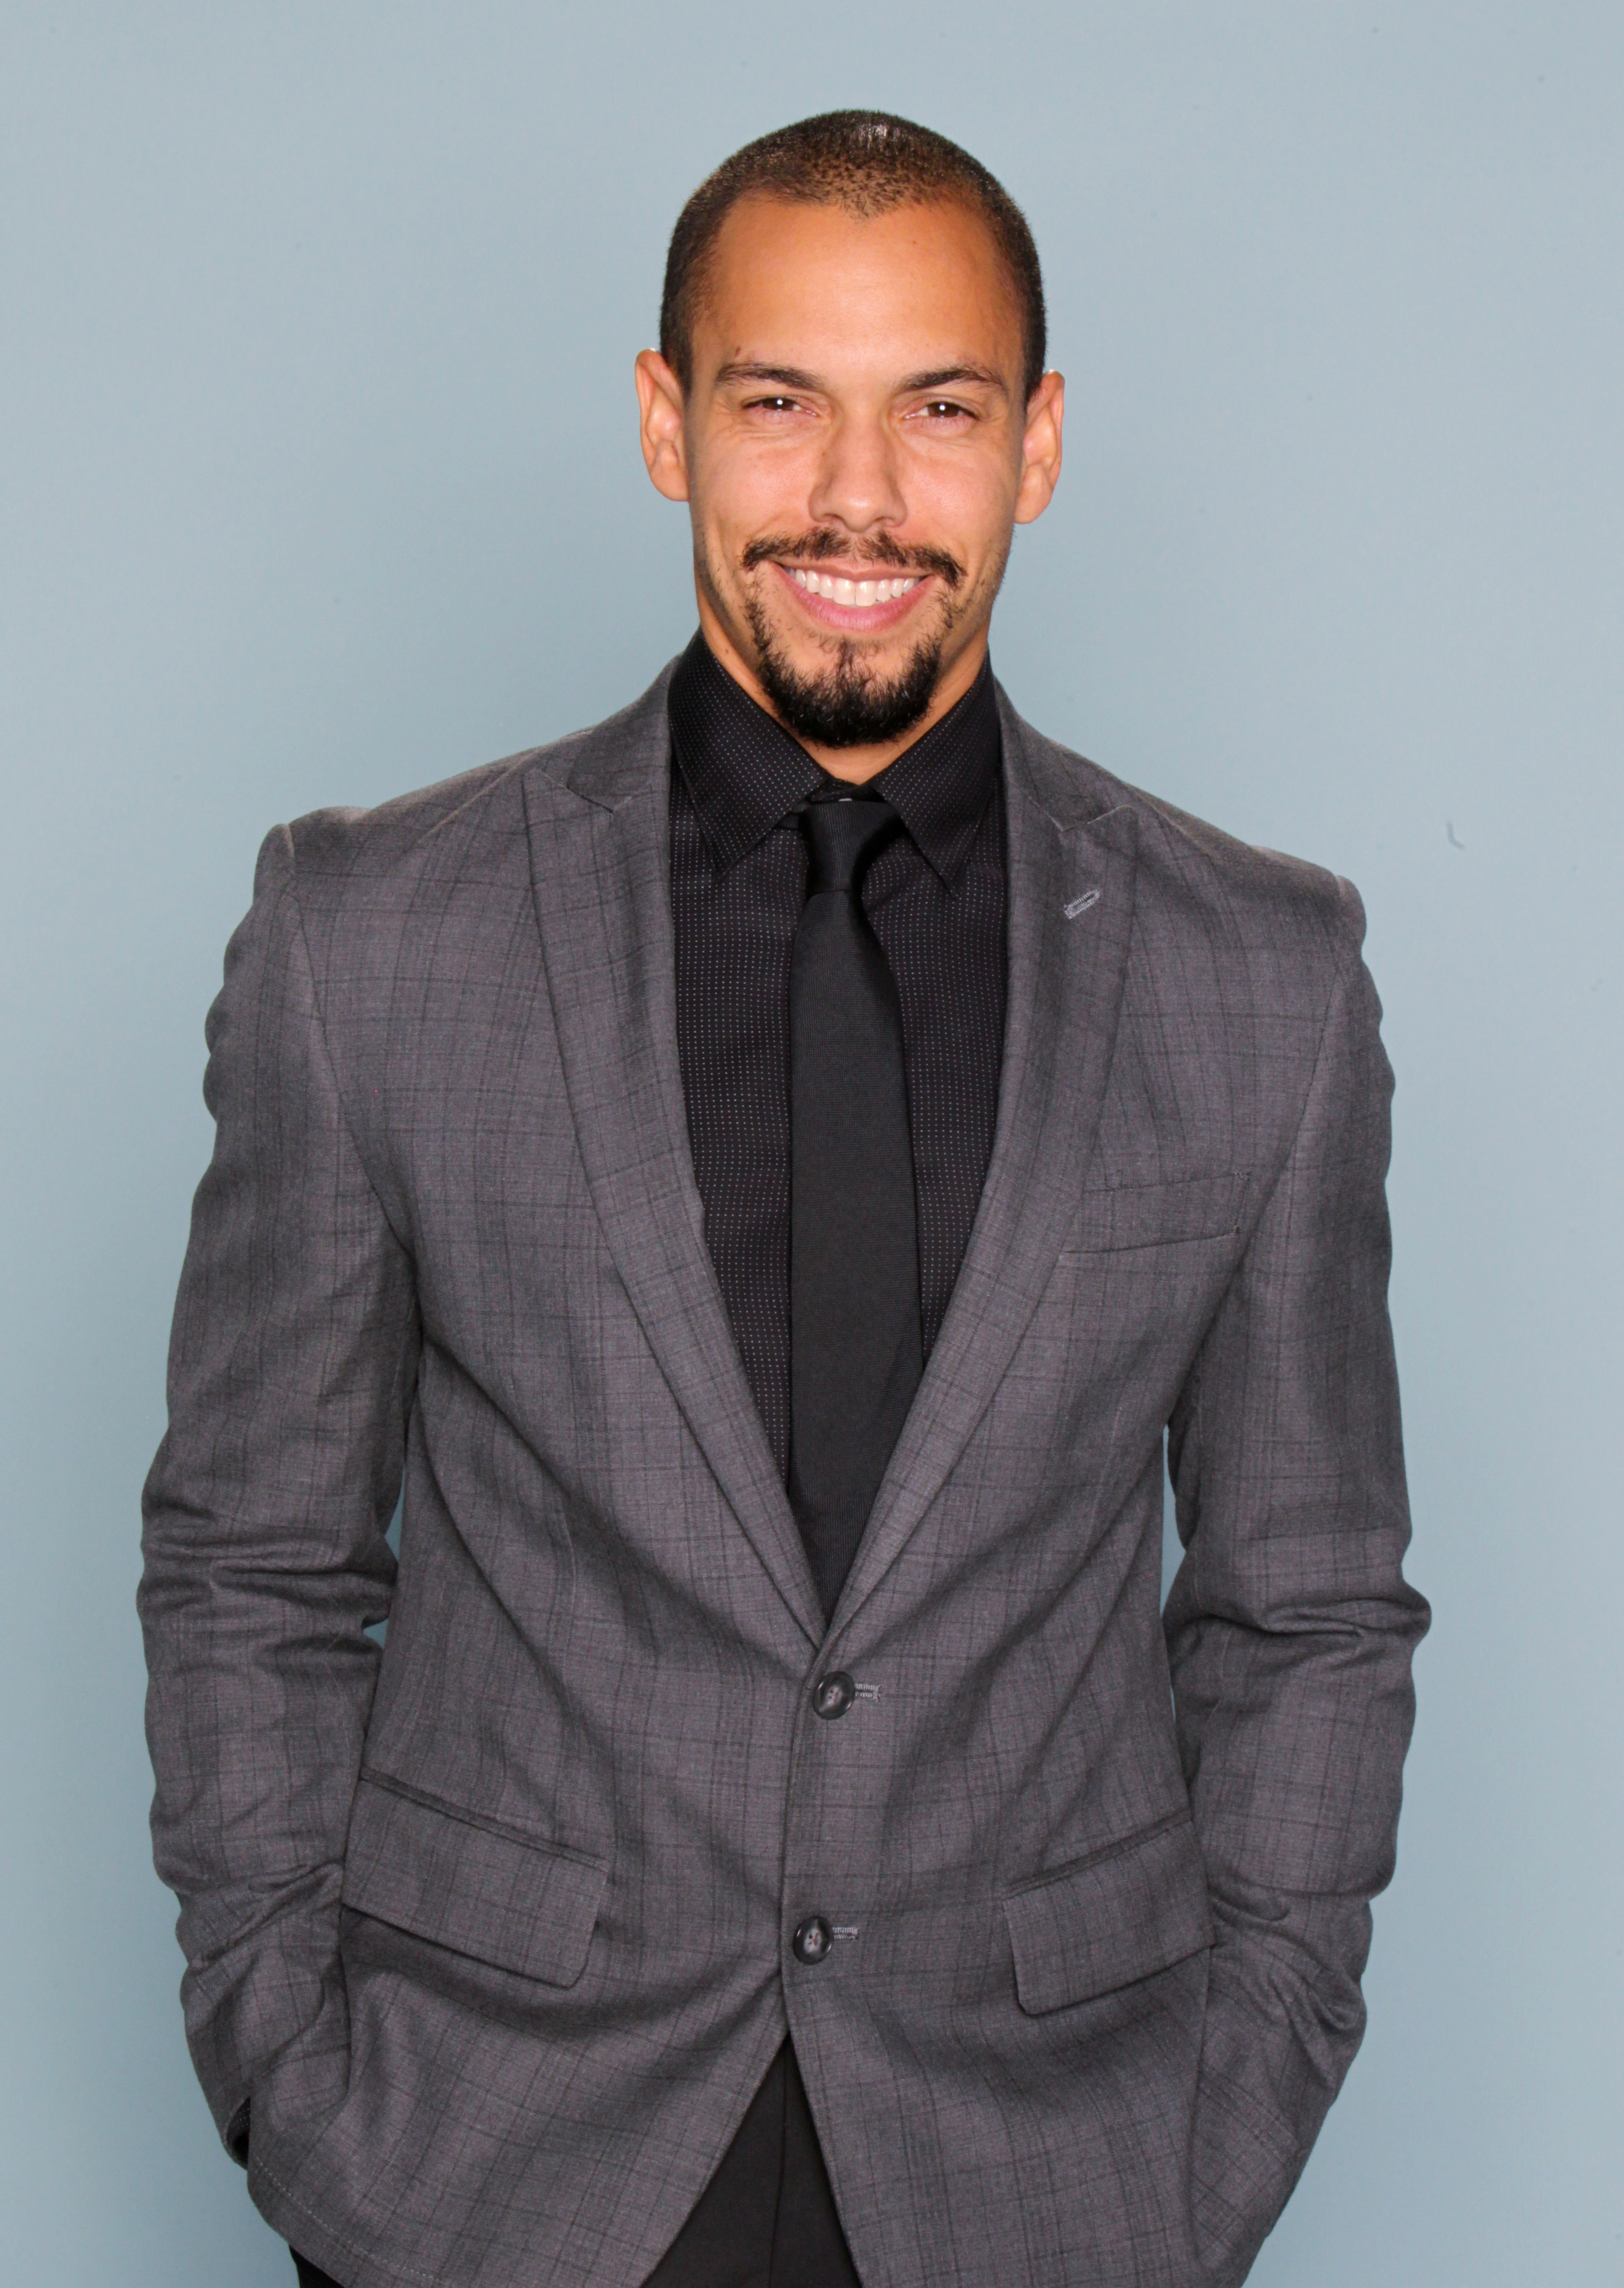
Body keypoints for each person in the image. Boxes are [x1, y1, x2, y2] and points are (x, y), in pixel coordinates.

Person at [140, 111, 1427, 2288]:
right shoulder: (370, 939)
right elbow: (252, 1559)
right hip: (481, 2166)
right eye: (776, 404)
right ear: (667, 423)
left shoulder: (1261, 978)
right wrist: (292, 2072)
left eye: (937, 410)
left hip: (1052, 2175)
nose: (857, 497)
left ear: (1035, 445)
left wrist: (1232, 2106)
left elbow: (1305, 1606)